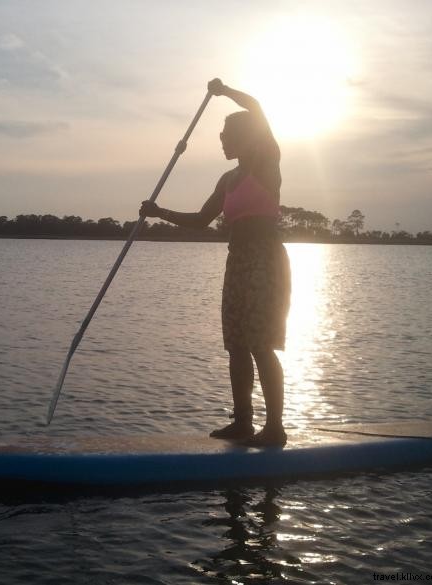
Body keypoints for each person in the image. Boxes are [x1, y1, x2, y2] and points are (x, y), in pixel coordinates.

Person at [140, 78, 291, 447]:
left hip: (265, 261)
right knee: (237, 344)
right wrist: (159, 212)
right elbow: (200, 220)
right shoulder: (227, 179)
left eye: (226, 134)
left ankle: (274, 429)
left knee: (260, 343)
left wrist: (225, 91)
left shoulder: (266, 163)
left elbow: (256, 106)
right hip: (237, 262)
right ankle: (242, 422)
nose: (221, 140)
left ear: (246, 136)